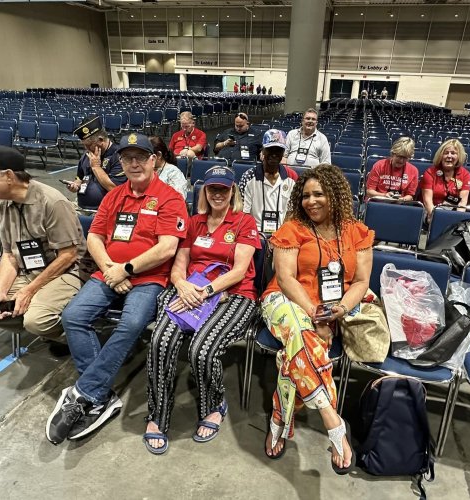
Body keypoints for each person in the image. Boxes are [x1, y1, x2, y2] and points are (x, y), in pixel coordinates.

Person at [45, 133, 188, 445]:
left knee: (132, 323)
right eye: (127, 158)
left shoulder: (170, 198)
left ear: (154, 160)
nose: (134, 163)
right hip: (109, 272)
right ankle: (99, 394)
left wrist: (126, 268)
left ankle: (84, 392)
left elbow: (166, 249)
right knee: (72, 316)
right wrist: (111, 268)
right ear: (120, 162)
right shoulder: (114, 196)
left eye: (141, 157)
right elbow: (94, 237)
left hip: (149, 278)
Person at [261, 164, 373, 473]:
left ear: (336, 195)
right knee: (301, 330)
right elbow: (285, 279)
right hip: (284, 301)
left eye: (319, 194)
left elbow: (361, 282)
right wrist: (315, 314)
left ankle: (279, 418)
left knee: (294, 352)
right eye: (306, 195)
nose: (311, 201)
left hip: (332, 308)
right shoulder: (292, 229)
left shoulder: (356, 232)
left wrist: (339, 310)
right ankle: (332, 421)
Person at [144, 165, 260, 454]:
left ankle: (214, 403)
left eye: (223, 188)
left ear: (232, 191)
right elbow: (179, 264)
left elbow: (239, 271)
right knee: (161, 341)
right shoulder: (193, 222)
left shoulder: (244, 223)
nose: (218, 193)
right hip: (190, 292)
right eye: (212, 189)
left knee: (202, 350)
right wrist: (182, 285)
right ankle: (158, 414)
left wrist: (208, 292)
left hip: (233, 295)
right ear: (205, 192)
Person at [0, 146, 90, 340]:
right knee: (7, 306)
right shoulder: (4, 203)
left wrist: (29, 290)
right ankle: (36, 316)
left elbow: (68, 256)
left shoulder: (52, 202)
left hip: (70, 270)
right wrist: (1, 292)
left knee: (37, 321)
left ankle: (77, 338)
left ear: (8, 175)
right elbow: (9, 255)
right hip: (30, 269)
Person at [239, 129, 295, 234]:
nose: (274, 154)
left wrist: (282, 234)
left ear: (283, 153)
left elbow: (291, 212)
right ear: (263, 150)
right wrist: (254, 234)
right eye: (270, 149)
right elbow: (244, 213)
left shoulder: (291, 177)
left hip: (282, 232)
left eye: (278, 150)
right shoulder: (248, 177)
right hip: (254, 232)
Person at [64, 116, 126, 211]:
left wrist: (96, 167)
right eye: (84, 145)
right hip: (81, 207)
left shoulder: (118, 156)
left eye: (89, 145)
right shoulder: (87, 154)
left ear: (101, 140)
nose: (86, 149)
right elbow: (80, 177)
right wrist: (75, 185)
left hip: (105, 212)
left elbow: (114, 189)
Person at [420, 139, 470, 221]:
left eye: (453, 153)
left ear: (459, 157)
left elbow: (462, 203)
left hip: (453, 212)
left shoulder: (465, 174)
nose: (449, 156)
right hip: (430, 212)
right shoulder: (430, 172)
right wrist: (436, 218)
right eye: (446, 153)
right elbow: (427, 201)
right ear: (440, 155)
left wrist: (457, 220)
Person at [365, 137, 419, 201]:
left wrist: (402, 199)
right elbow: (369, 192)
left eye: (405, 158)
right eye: (399, 156)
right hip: (378, 202)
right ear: (393, 153)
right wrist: (384, 195)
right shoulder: (379, 165)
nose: (401, 161)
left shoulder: (414, 171)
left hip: (400, 205)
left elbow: (410, 195)